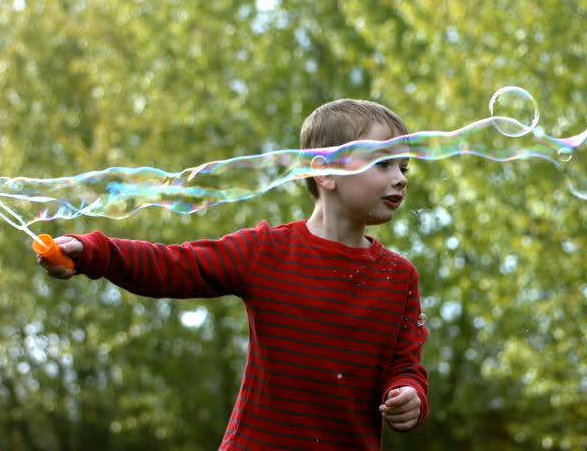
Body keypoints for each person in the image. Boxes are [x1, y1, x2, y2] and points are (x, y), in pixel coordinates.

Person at [39, 99, 429, 449]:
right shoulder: (267, 251)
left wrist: (408, 393)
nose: (400, 177)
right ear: (325, 173)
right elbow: (174, 266)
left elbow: (405, 364)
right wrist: (93, 251)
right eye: (382, 163)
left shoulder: (399, 277)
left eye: (404, 166)